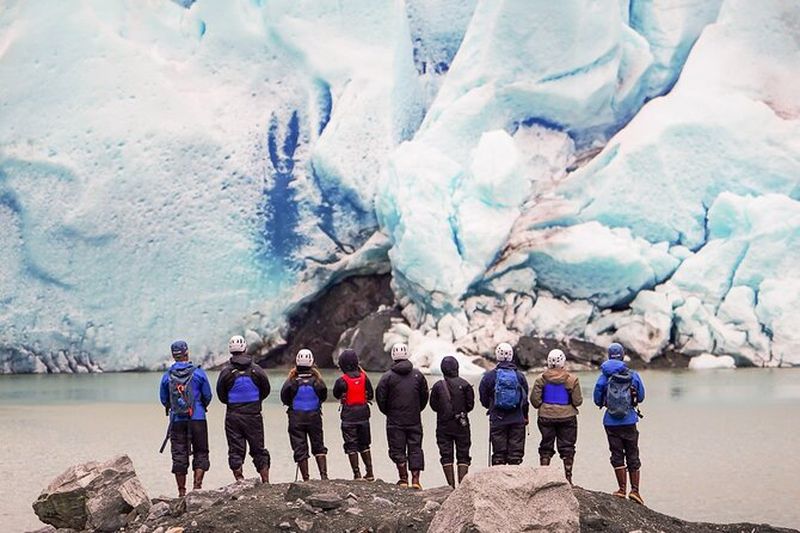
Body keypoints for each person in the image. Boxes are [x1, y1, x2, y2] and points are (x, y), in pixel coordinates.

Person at [593, 342, 646, 505]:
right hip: (629, 420)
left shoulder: (603, 377)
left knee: (617, 454)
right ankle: (635, 491)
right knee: (632, 453)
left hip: (610, 422)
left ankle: (621, 489)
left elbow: (597, 399)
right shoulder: (633, 375)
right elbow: (642, 396)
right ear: (622, 355)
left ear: (609, 356)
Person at [159, 340, 213, 496]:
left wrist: (174, 407)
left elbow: (164, 399)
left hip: (177, 420)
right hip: (198, 418)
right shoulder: (198, 373)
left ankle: (181, 492)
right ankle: (197, 488)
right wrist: (200, 407)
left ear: (173, 355)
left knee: (179, 454)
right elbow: (208, 395)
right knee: (201, 451)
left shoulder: (167, 376)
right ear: (186, 353)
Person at [216, 335, 271, 483]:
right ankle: (265, 480)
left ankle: (240, 479)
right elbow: (265, 389)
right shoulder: (257, 370)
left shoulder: (226, 372)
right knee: (258, 448)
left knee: (235, 449)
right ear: (245, 349)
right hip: (254, 415)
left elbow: (221, 395)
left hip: (233, 415)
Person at [375, 342, 429, 489]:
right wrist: (417, 409)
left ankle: (403, 479)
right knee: (415, 448)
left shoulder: (387, 377)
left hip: (395, 420)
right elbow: (424, 396)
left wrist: (389, 412)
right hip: (414, 418)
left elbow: (380, 398)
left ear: (393, 356)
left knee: (397, 449)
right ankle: (416, 481)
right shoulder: (418, 375)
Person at [530, 348, 583, 484]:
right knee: (567, 447)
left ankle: (543, 478)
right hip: (567, 417)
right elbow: (578, 401)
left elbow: (535, 402)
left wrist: (545, 406)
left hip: (545, 417)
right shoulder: (572, 379)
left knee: (546, 445)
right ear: (563, 362)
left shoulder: (540, 380)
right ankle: (568, 478)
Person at [280, 349, 329, 481]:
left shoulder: (291, 381)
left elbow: (284, 397)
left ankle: (306, 478)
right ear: (311, 362)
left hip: (296, 419)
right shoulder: (318, 381)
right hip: (314, 418)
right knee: (318, 445)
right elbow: (323, 396)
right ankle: (324, 476)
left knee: (300, 447)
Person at [479, 342, 529, 466]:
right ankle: (515, 482)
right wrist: (525, 415)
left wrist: (491, 406)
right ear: (511, 356)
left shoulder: (489, 377)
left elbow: (483, 397)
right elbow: (524, 398)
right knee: (515, 455)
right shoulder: (520, 376)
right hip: (517, 418)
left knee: (498, 454)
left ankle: (498, 483)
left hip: (497, 418)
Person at [429, 355, 474, 487]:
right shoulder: (465, 384)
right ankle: (462, 486)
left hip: (443, 424)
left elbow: (433, 406)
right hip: (462, 424)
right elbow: (470, 406)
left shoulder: (438, 386)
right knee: (463, 454)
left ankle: (450, 486)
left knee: (446, 454)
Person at [332, 348, 375, 480]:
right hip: (363, 416)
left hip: (348, 417)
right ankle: (370, 472)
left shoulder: (342, 381)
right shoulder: (364, 378)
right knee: (364, 444)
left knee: (351, 445)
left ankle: (356, 474)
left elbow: (335, 394)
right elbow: (371, 394)